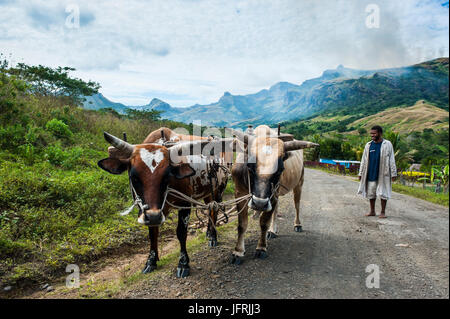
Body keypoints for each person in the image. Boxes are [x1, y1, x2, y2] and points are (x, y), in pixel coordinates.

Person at [357, 125, 397, 218]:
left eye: (374, 133)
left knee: (383, 193)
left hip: (383, 173)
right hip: (370, 173)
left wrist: (393, 173)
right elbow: (363, 160)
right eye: (371, 134)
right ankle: (372, 211)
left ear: (380, 133)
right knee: (371, 193)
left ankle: (382, 212)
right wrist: (360, 173)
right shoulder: (368, 145)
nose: (372, 135)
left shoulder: (387, 144)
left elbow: (392, 159)